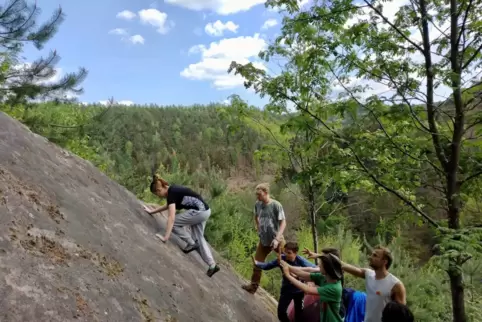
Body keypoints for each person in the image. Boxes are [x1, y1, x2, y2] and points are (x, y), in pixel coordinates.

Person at [143, 174, 220, 277]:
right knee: (199, 238)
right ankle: (212, 265)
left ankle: (191, 243)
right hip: (205, 210)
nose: (159, 196)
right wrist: (152, 211)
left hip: (199, 211)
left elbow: (172, 217)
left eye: (157, 194)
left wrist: (166, 237)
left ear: (159, 190)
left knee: (174, 223)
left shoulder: (172, 193)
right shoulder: (173, 191)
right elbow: (167, 206)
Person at [304, 245, 405, 322]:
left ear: (384, 261)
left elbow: (402, 315)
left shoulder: (395, 285)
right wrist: (320, 256)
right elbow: (342, 265)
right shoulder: (368, 275)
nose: (370, 257)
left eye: (375, 255)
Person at [253, 241, 317, 322]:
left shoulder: (301, 260)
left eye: (289, 253)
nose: (286, 255)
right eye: (285, 252)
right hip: (287, 290)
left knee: (299, 314)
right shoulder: (281, 259)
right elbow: (268, 265)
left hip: (299, 291)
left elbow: (314, 269)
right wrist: (257, 264)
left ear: (295, 253)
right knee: (281, 312)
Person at [242, 183, 287, 294]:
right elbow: (256, 216)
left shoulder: (276, 205)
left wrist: (277, 239)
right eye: (257, 195)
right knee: (257, 263)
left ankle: (292, 288)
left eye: (260, 195)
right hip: (264, 240)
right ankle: (253, 287)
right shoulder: (258, 204)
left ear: (266, 193)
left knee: (286, 263)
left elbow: (283, 223)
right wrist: (258, 228)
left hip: (277, 240)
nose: (258, 197)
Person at [279, 253, 343, 322]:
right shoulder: (324, 277)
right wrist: (286, 265)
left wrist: (288, 275)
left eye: (321, 264)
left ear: (327, 268)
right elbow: (303, 274)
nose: (318, 265)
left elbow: (307, 289)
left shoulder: (334, 288)